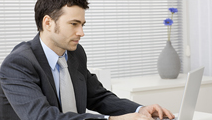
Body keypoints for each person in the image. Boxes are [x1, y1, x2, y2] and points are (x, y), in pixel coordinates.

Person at [0, 0, 175, 120]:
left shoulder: (75, 54)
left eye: (82, 25)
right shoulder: (18, 64)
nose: (81, 33)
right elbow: (43, 117)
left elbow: (98, 96)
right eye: (73, 24)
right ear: (48, 23)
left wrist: (139, 110)